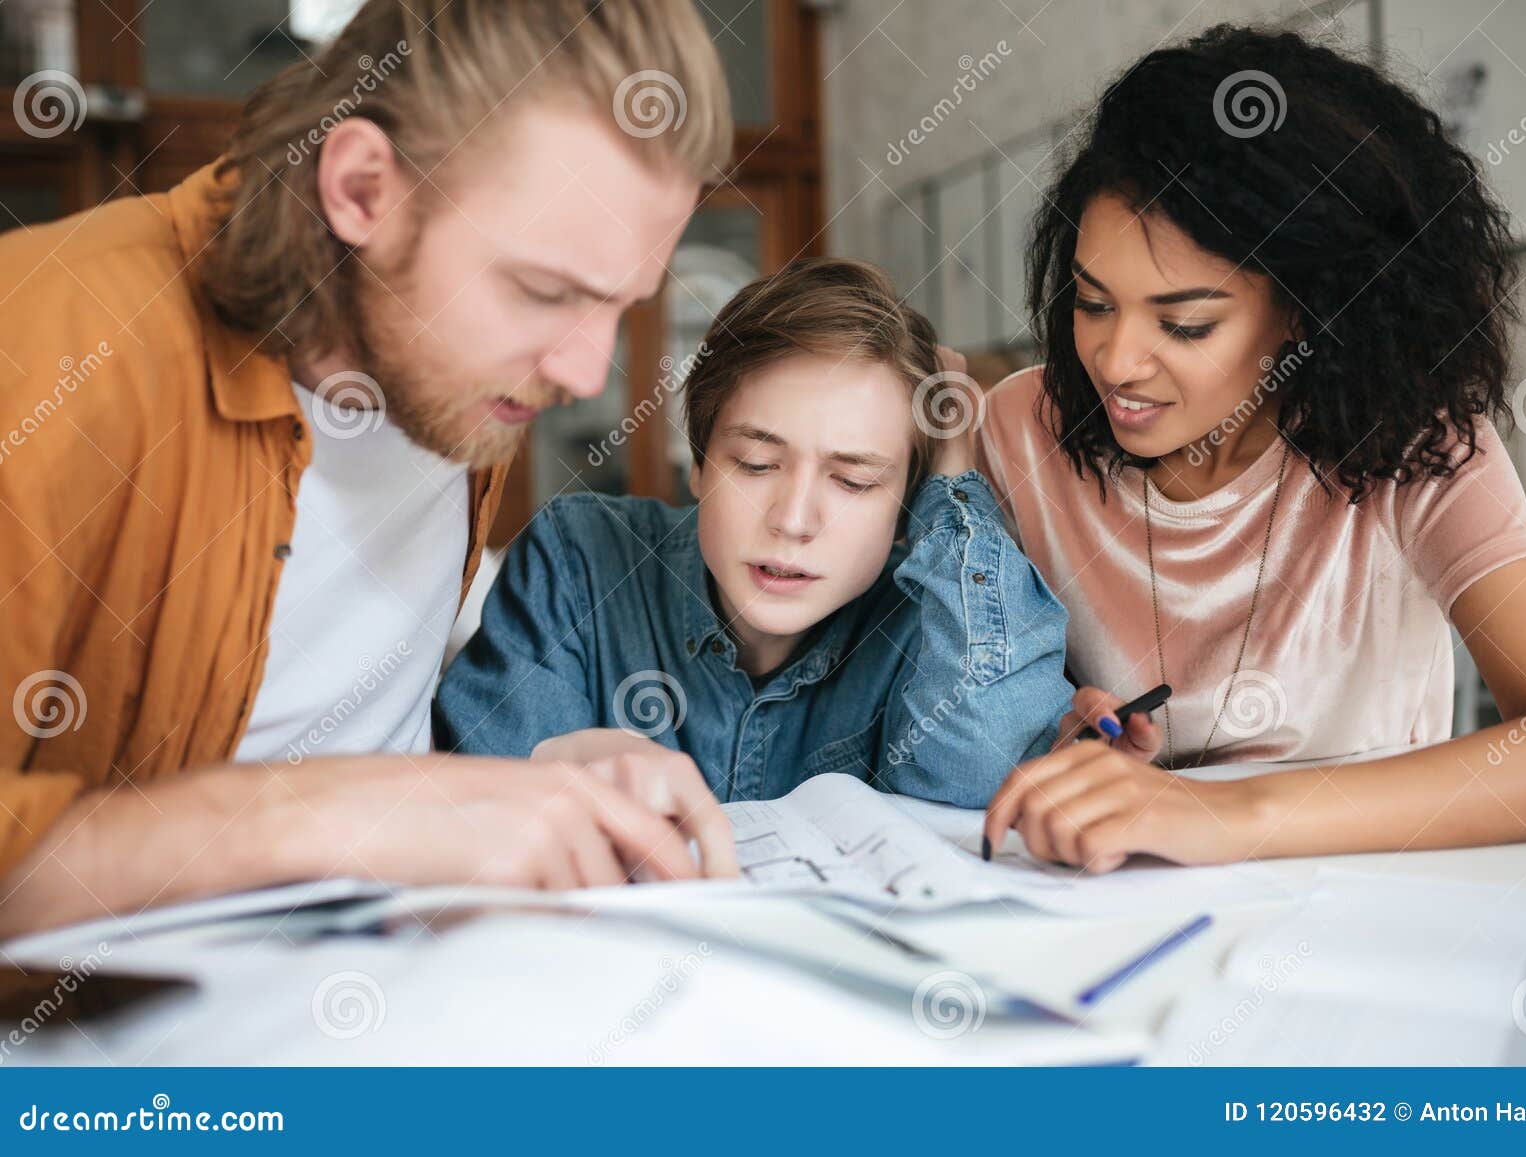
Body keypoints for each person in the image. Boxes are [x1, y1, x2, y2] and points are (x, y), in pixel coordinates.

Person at [0, 0, 741, 936]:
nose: (584, 372)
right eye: (543, 292)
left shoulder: (451, 384)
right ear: (361, 189)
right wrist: (311, 811)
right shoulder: (41, 352)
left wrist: (521, 782)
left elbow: (345, 740)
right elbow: (332, 805)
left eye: (621, 305)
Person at [979, 24, 1526, 871]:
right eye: (1092, 303)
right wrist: (1048, 736)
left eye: (1184, 323)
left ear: (1309, 310)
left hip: (1360, 924)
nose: (1116, 363)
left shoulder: (1411, 438)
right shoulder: (1020, 429)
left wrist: (1228, 814)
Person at [437, 259, 1068, 806]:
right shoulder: (578, 560)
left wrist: (953, 490)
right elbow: (488, 816)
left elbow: (982, 781)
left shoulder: (929, 627)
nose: (792, 521)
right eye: (756, 465)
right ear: (701, 462)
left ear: (905, 505)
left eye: (852, 482)